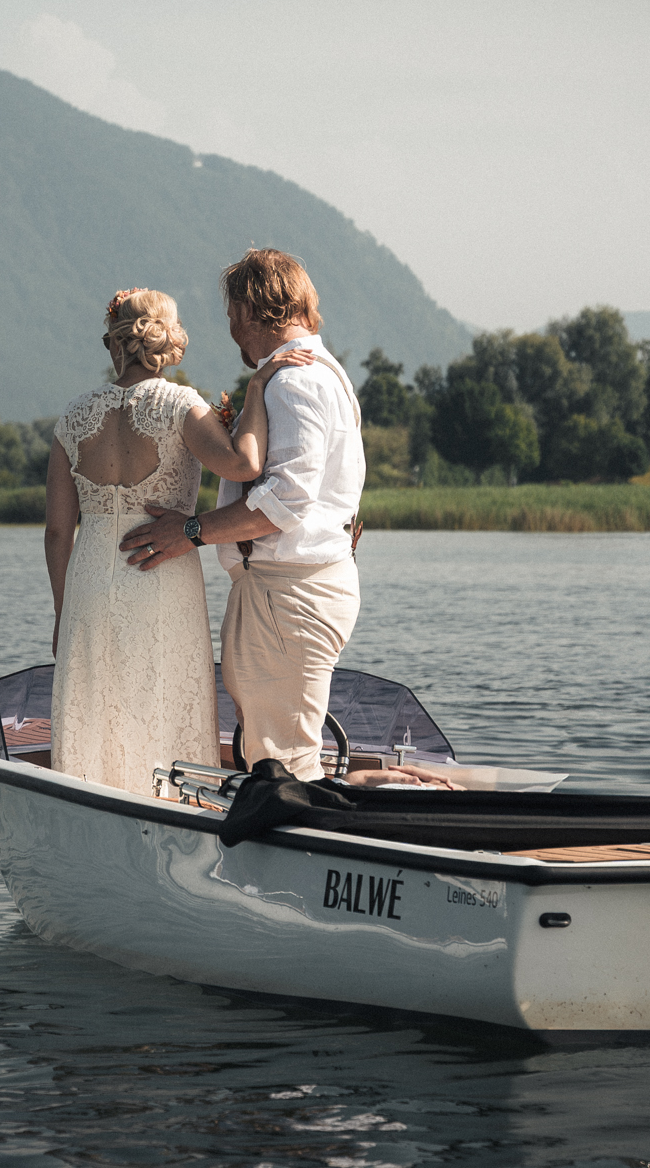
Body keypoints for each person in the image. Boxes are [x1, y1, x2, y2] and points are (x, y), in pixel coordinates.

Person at [118, 250, 453, 789]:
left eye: (232, 315)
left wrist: (190, 532)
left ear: (253, 311)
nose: (231, 330)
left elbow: (285, 502)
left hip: (289, 592)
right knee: (273, 747)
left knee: (283, 764)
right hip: (292, 589)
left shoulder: (295, 383)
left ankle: (381, 804)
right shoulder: (325, 375)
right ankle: (383, 789)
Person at [44, 288, 312, 795]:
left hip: (87, 590)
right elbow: (245, 465)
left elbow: (58, 532)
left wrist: (62, 612)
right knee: (163, 700)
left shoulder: (73, 418)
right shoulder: (179, 405)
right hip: (161, 576)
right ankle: (172, 813)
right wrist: (256, 391)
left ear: (114, 344)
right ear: (170, 342)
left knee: (98, 706)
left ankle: (90, 810)